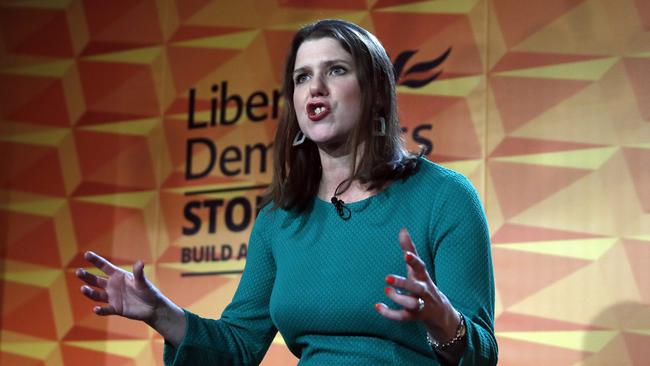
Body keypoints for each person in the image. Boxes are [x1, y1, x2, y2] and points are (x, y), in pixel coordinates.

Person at [77, 19, 498, 365]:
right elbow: (240, 345)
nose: (315, 87)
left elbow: (483, 354)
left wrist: (444, 321)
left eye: (336, 70)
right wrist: (160, 314)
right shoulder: (279, 218)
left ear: (373, 92)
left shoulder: (444, 197)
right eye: (302, 77)